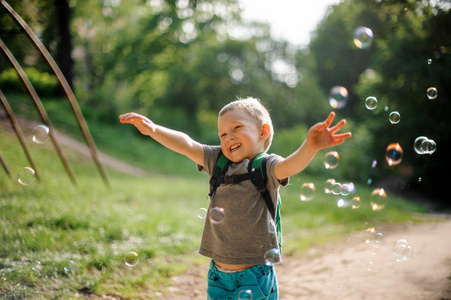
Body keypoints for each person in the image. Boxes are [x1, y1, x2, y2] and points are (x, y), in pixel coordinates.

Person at [119, 97, 351, 299]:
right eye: (222, 134)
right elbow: (187, 144)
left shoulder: (266, 166)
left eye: (237, 128)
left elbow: (290, 166)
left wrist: (309, 147)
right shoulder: (217, 161)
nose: (228, 137)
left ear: (263, 132)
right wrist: (153, 130)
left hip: (255, 275)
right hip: (218, 274)